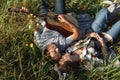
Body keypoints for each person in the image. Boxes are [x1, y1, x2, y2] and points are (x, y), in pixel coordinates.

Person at [57, 2, 120, 71]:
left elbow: (79, 37)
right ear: (70, 62)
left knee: (104, 11)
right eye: (63, 59)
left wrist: (89, 35)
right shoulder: (87, 63)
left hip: (93, 32)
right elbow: (105, 58)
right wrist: (102, 43)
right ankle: (107, 21)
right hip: (105, 39)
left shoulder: (68, 50)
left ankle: (107, 20)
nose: (62, 56)